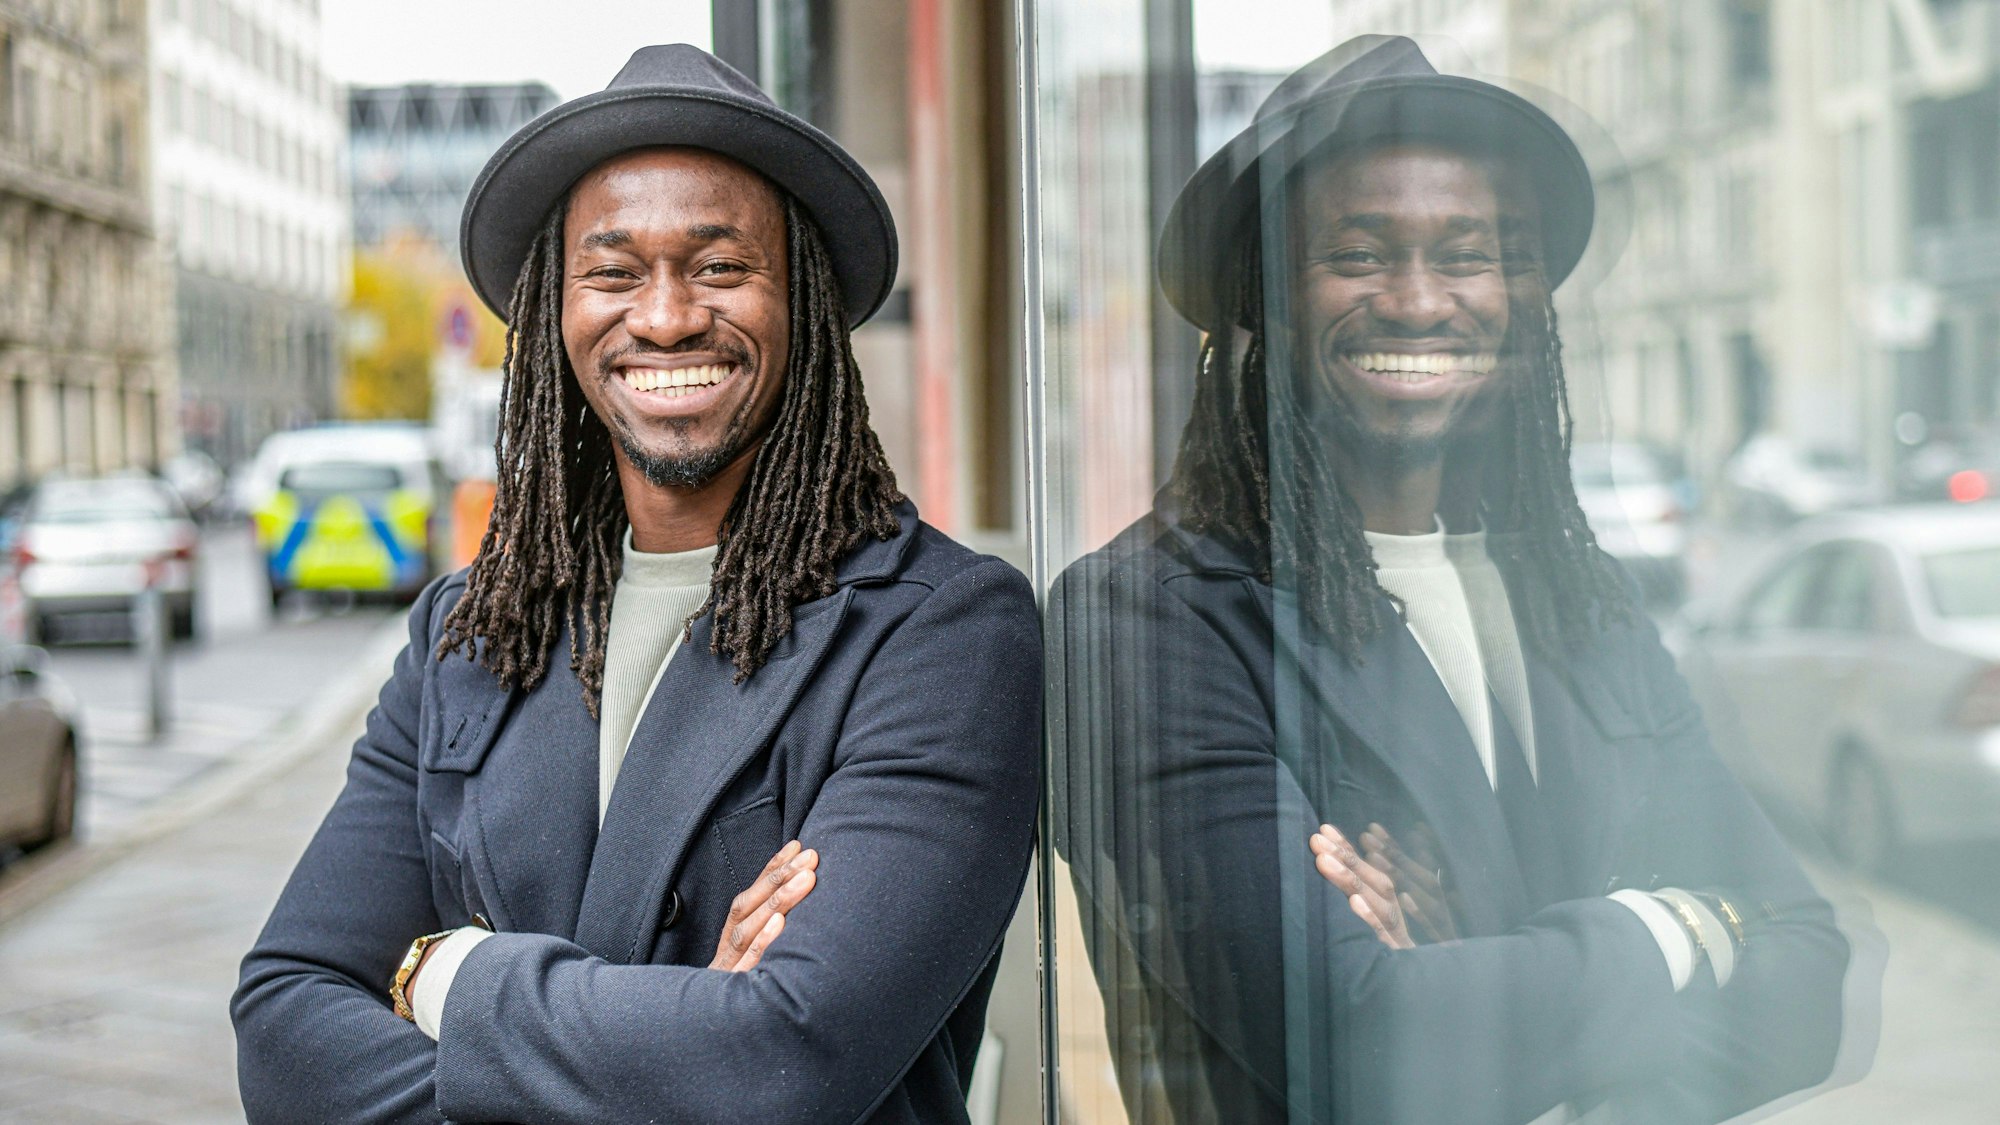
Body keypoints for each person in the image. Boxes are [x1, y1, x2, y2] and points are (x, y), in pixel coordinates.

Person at [1049, 35, 1864, 1124]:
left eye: (1470, 252)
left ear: (1523, 294)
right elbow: (1362, 1042)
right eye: (1357, 252)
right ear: (1266, 299)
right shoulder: (1146, 622)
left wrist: (1477, 958)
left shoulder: (1580, 601)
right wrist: (1683, 925)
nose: (1421, 302)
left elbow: (1808, 972)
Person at [232, 44, 1041, 1124]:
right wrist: (679, 1033)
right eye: (612, 273)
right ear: (553, 316)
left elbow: (785, 1064)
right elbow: (285, 1028)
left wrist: (448, 976)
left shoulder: (941, 630)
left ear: (796, 298)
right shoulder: (469, 631)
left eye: (717, 267)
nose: (662, 319)